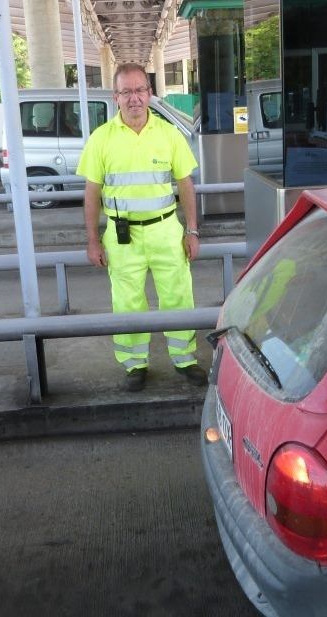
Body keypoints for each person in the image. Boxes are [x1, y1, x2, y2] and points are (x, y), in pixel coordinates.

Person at [77, 63, 207, 393]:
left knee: (178, 295)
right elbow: (92, 192)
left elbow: (185, 184)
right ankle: (135, 365)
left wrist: (191, 230)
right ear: (115, 97)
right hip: (122, 237)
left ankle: (185, 359)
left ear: (149, 93)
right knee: (127, 302)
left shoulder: (168, 133)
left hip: (165, 230)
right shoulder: (101, 139)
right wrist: (93, 239)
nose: (134, 98)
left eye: (139, 90)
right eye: (126, 92)